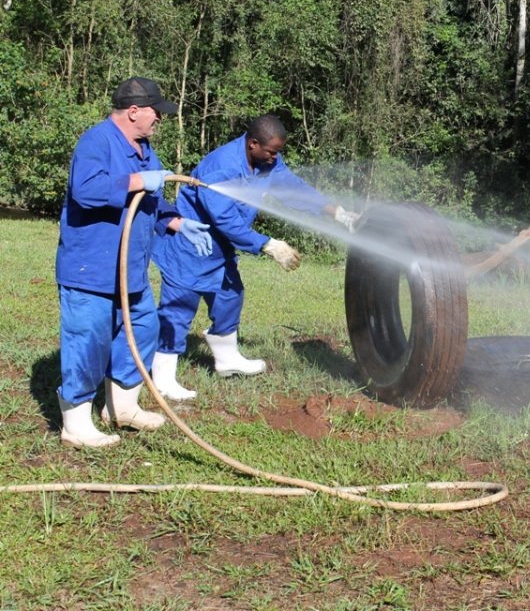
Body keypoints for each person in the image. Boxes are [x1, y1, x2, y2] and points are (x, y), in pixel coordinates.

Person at [151, 114, 360, 400]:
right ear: (253, 144)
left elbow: (294, 190)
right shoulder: (222, 167)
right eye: (272, 151)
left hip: (220, 249)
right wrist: (268, 245)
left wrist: (337, 213)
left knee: (230, 296)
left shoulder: (267, 162)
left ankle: (227, 360)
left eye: (278, 152)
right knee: (179, 308)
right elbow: (225, 220)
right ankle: (163, 378)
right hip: (191, 245)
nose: (275, 157)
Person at [56, 77, 213, 448]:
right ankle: (75, 424)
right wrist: (138, 179)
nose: (159, 119)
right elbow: (86, 190)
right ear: (133, 111)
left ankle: (122, 408)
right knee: (89, 340)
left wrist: (177, 222)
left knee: (143, 329)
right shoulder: (96, 142)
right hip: (92, 270)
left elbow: (151, 200)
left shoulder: (144, 149)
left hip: (131, 272)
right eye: (156, 112)